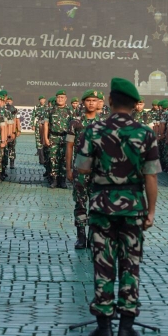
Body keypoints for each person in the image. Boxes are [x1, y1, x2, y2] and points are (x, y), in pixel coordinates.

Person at [75, 78, 159, 336]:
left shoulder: (93, 130)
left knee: (103, 266)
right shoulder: (145, 133)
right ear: (135, 104)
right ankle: (125, 330)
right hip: (133, 208)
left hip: (102, 206)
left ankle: (104, 330)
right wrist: (151, 212)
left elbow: (82, 168)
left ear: (109, 101)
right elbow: (151, 177)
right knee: (130, 266)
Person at [66, 89, 102, 249]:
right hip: (80, 170)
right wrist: (68, 169)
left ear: (98, 103)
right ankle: (81, 237)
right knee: (80, 203)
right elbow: (69, 146)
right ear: (83, 103)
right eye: (88, 100)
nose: (91, 103)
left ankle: (93, 237)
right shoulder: (75, 122)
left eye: (94, 100)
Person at [43, 90, 73, 188]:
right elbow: (46, 124)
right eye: (58, 97)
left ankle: (62, 180)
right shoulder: (50, 110)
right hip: (53, 137)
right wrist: (46, 138)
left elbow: (73, 126)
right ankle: (54, 180)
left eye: (62, 97)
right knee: (53, 158)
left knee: (64, 159)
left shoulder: (70, 111)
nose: (60, 99)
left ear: (66, 99)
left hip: (66, 138)